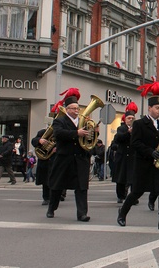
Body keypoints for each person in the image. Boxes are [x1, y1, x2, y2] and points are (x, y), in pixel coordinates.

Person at [118, 80, 159, 230]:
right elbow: (135, 143)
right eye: (157, 108)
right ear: (150, 108)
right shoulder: (139, 124)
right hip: (144, 163)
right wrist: (150, 152)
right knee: (137, 192)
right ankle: (122, 213)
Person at [46, 88, 94, 222]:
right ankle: (51, 208)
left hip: (80, 159)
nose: (76, 111)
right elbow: (58, 134)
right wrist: (76, 134)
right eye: (73, 108)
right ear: (67, 109)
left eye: (77, 108)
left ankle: (82, 214)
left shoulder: (84, 121)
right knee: (57, 186)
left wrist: (92, 134)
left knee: (82, 187)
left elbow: (90, 138)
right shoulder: (59, 121)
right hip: (64, 158)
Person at [111, 102, 138, 203]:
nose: (130, 120)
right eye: (129, 118)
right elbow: (119, 138)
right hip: (122, 156)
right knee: (121, 178)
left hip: (132, 156)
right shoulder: (121, 128)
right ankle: (120, 196)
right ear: (125, 119)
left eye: (132, 118)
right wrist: (128, 133)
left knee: (133, 179)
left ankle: (133, 197)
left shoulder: (137, 129)